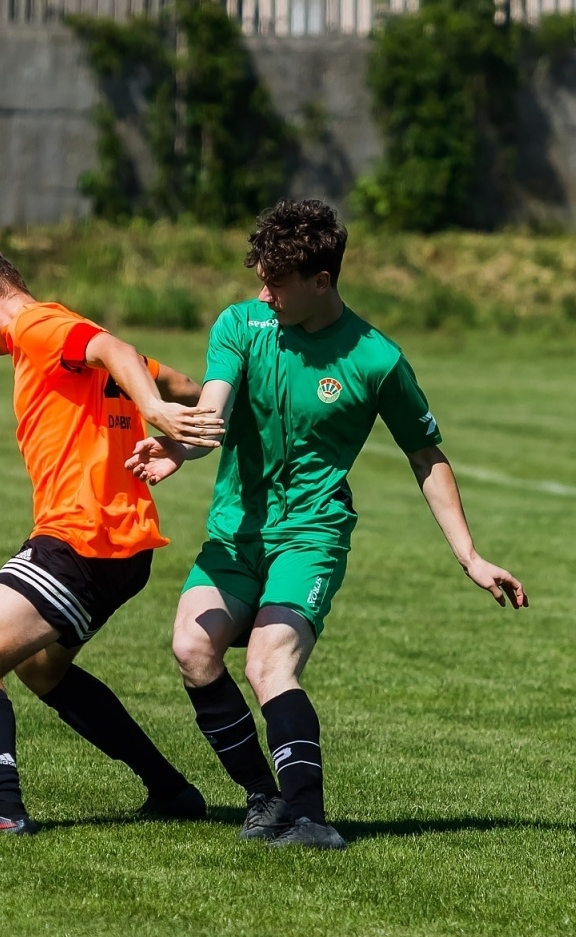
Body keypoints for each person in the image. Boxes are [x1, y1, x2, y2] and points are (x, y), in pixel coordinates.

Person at [128, 200, 528, 850]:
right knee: (192, 649)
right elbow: (213, 413)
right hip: (236, 534)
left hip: (310, 537)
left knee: (268, 663)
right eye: (261, 278)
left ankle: (310, 818)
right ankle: (263, 799)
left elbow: (425, 456)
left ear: (322, 280)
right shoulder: (242, 324)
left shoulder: (374, 360)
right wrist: (178, 448)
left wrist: (470, 556)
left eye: (277, 283)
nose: (265, 293)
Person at [0, 247, 225, 834]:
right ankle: (170, 789)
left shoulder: (37, 327)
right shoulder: (63, 335)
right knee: (43, 669)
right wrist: (211, 410)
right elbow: (174, 377)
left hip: (82, 536)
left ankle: (2, 811)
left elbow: (114, 349)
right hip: (122, 544)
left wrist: (156, 413)